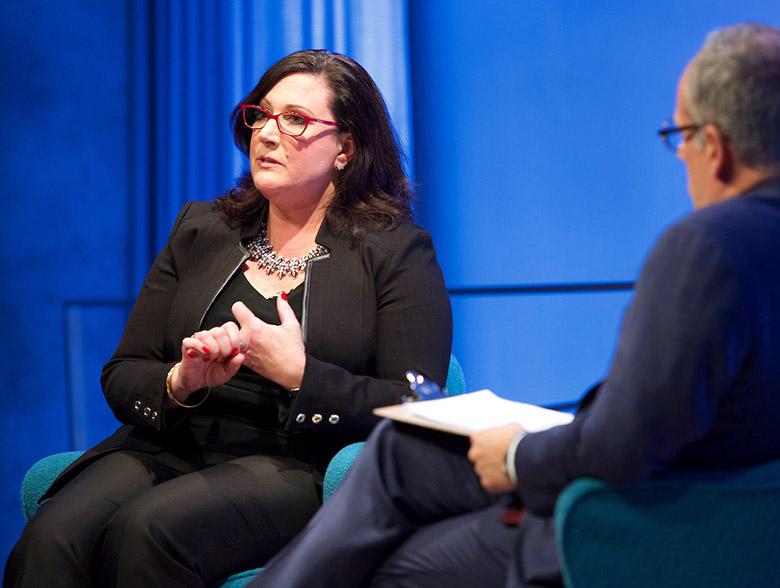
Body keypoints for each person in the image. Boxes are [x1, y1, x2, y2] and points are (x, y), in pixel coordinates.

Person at [247, 23, 780, 588]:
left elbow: (622, 449)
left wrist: (516, 457)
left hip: (650, 529)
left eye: (681, 138)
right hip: (756, 508)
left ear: (717, 147)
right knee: (401, 451)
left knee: (384, 565)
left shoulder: (710, 249)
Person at [4, 49, 451, 587]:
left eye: (295, 120)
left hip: (297, 463)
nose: (266, 133)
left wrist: (301, 377)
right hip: (172, 443)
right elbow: (124, 369)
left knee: (147, 531)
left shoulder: (394, 252)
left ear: (346, 149)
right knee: (53, 538)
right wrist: (180, 380)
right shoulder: (203, 229)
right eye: (259, 115)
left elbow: (417, 404)